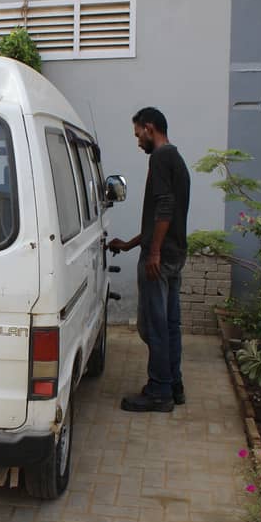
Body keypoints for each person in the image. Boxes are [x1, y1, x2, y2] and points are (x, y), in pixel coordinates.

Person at [108, 107, 190, 413]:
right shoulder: (176, 159)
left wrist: (152, 252)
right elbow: (160, 216)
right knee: (170, 325)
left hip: (160, 259)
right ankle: (173, 385)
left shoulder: (160, 158)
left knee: (153, 326)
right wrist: (131, 244)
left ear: (149, 128)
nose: (137, 141)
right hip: (174, 254)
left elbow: (165, 208)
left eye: (137, 134)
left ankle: (158, 392)